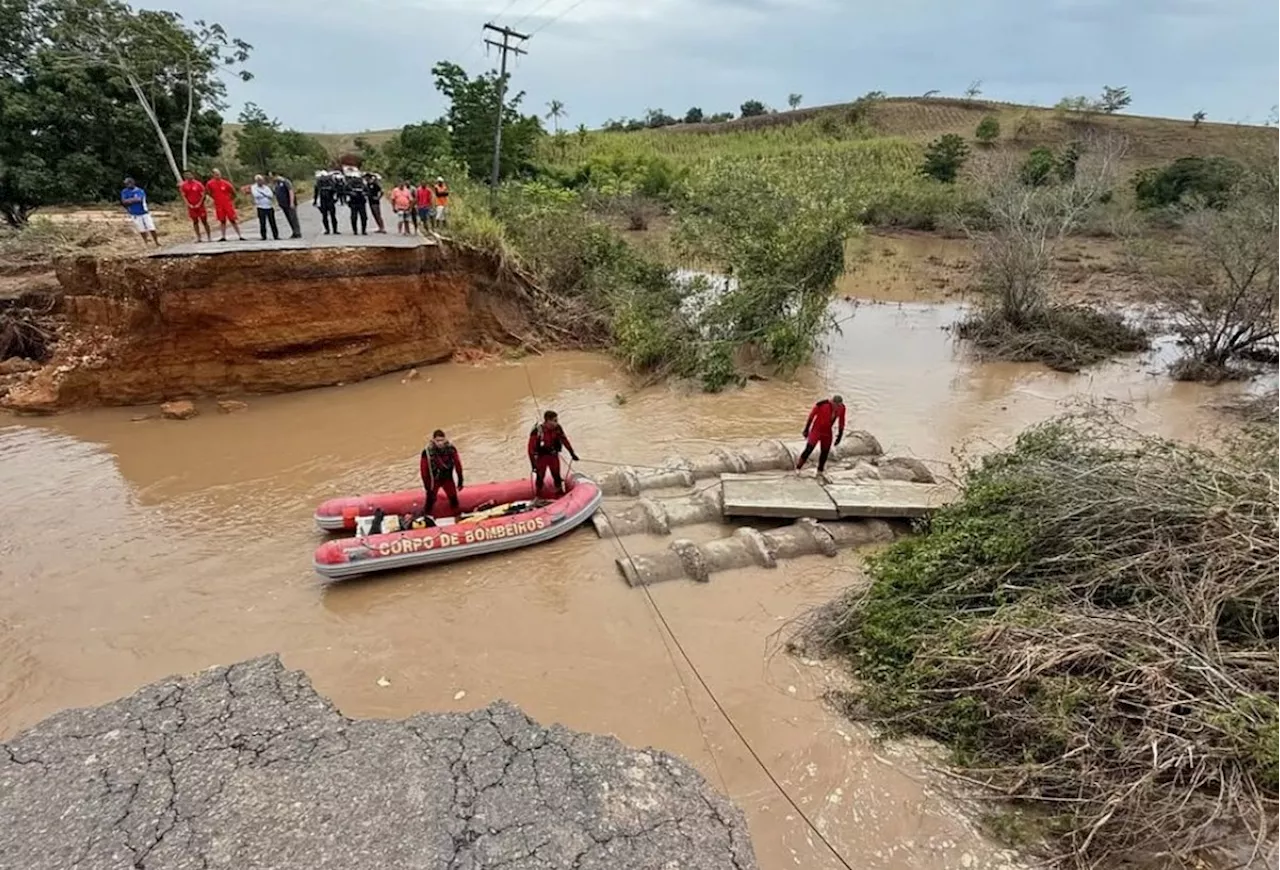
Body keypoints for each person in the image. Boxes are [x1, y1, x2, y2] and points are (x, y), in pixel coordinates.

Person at [527, 410, 579, 497]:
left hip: (553, 456)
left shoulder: (557, 428)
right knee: (540, 477)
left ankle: (559, 494)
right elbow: (530, 449)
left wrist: (572, 453)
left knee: (556, 476)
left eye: (556, 420)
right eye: (554, 421)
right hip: (541, 457)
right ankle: (539, 496)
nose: (556, 423)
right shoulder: (537, 431)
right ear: (547, 420)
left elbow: (564, 440)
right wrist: (533, 464)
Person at [796, 395, 846, 474]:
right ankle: (798, 468)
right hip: (816, 430)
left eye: (838, 405)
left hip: (827, 432)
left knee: (825, 452)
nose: (836, 407)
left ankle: (820, 471)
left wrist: (840, 435)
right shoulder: (822, 405)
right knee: (809, 449)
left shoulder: (842, 408)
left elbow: (841, 422)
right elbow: (811, 416)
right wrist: (806, 430)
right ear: (831, 402)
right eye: (835, 405)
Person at [420, 429, 464, 517]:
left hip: (447, 478)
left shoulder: (451, 449)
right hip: (434, 480)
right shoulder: (427, 452)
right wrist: (427, 486)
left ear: (445, 440)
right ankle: (426, 517)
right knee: (430, 500)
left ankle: (457, 517)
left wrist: (460, 480)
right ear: (433, 440)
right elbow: (423, 470)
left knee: (453, 498)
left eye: (441, 440)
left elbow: (457, 464)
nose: (440, 443)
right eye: (437, 441)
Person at [206, 169, 245, 241]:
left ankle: (240, 235)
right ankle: (223, 236)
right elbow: (209, 192)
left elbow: (233, 192)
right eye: (216, 174)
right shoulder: (210, 183)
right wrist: (214, 198)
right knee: (222, 220)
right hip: (219, 204)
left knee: (232, 219)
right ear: (213, 175)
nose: (218, 176)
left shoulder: (226, 183)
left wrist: (230, 200)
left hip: (227, 204)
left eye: (219, 174)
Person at [120, 177, 159, 246]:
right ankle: (146, 242)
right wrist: (132, 200)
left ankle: (156, 241)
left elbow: (139, 199)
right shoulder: (124, 191)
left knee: (151, 227)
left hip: (144, 212)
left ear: (132, 183)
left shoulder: (139, 191)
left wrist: (129, 200)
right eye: (126, 184)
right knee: (141, 229)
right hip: (134, 213)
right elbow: (124, 201)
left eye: (128, 183)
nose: (127, 185)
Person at [179, 171, 211, 242]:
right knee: (195, 221)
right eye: (186, 175)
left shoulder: (198, 184)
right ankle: (199, 237)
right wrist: (188, 204)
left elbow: (203, 194)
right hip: (191, 206)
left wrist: (200, 203)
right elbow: (184, 196)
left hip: (200, 206)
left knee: (204, 221)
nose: (188, 176)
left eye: (189, 175)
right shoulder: (183, 185)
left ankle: (209, 236)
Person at [272, 172, 302, 239]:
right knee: (289, 218)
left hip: (289, 203)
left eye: (274, 176)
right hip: (283, 204)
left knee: (293, 218)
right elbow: (275, 193)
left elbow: (290, 191)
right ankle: (294, 232)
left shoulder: (285, 182)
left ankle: (297, 232)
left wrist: (291, 203)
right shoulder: (276, 184)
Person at [250, 174, 279, 241]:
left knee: (272, 222)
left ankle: (276, 235)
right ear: (256, 181)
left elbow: (271, 195)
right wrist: (266, 195)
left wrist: (263, 194)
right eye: (258, 180)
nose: (260, 182)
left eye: (261, 180)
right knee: (262, 222)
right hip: (260, 207)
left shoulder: (266, 187)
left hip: (269, 206)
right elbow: (256, 195)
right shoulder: (254, 187)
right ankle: (263, 236)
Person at [313, 171, 341, 235]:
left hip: (323, 201)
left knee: (324, 216)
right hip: (330, 200)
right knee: (333, 216)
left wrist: (315, 202)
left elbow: (316, 193)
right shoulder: (331, 181)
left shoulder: (318, 182)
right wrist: (336, 199)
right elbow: (336, 190)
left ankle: (327, 230)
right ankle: (335, 230)